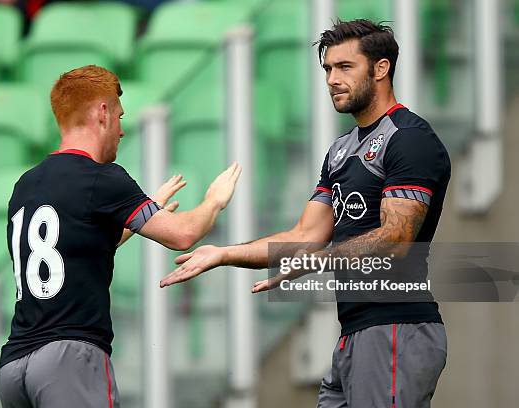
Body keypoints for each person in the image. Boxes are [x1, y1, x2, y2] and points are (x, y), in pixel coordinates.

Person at [160, 19, 450, 408]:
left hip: (396, 328)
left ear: (380, 69)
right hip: (354, 332)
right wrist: (222, 253)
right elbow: (306, 235)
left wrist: (317, 260)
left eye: (345, 67)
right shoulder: (340, 149)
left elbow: (396, 240)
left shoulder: (409, 138)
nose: (332, 78)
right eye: (328, 68)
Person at [0, 65, 241, 408]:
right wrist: (214, 201)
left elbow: (80, 245)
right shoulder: (101, 178)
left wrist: (144, 214)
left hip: (14, 368)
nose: (122, 130)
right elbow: (184, 234)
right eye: (120, 116)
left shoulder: (26, 185)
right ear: (102, 113)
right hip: (68, 359)